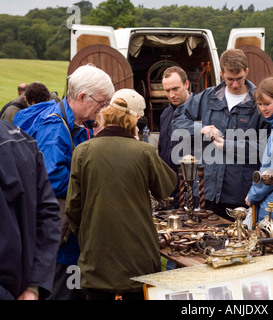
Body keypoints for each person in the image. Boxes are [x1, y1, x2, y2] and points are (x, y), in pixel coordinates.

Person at [14, 64, 115, 300]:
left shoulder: (68, 121)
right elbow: (52, 178)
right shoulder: (55, 128)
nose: (103, 109)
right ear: (81, 97)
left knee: (72, 285)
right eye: (101, 103)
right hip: (58, 236)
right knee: (64, 290)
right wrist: (92, 186)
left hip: (61, 233)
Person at [65, 89, 177, 300]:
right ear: (134, 120)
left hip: (96, 255)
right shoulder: (144, 152)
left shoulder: (82, 151)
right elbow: (166, 187)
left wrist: (88, 234)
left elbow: (73, 207)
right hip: (138, 255)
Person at [173, 48, 268, 219]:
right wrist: (201, 128)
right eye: (229, 79)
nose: (235, 84)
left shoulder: (258, 103)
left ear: (247, 71)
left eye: (239, 78)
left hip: (240, 194)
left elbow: (265, 149)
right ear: (221, 73)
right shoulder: (207, 97)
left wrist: (228, 145)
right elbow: (177, 120)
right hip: (206, 191)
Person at [0, 119, 60, 300]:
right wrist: (34, 285)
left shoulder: (21, 140)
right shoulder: (22, 139)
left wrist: (34, 284)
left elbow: (47, 213)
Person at [245, 77, 273, 236]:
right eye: (260, 104)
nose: (263, 109)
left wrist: (253, 194)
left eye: (267, 103)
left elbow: (271, 170)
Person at [158, 66, 193, 208]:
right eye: (167, 91)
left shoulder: (202, 112)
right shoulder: (165, 115)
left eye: (175, 89)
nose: (171, 95)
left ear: (186, 84)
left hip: (194, 189)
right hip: (171, 189)